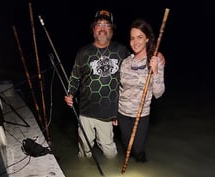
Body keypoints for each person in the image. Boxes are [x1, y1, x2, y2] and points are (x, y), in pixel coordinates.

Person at [64, 9, 130, 159]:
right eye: (99, 24)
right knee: (84, 150)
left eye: (106, 25)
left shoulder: (121, 50)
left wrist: (155, 56)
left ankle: (114, 175)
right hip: (86, 111)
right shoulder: (83, 52)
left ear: (112, 30)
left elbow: (135, 68)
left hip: (108, 113)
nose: (102, 28)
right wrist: (70, 93)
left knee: (110, 152)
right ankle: (83, 176)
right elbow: (75, 77)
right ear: (93, 29)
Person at [117, 18, 165, 163]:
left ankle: (142, 164)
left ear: (147, 39)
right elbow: (119, 90)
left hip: (141, 114)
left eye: (140, 37)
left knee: (137, 149)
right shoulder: (125, 62)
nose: (135, 41)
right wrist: (114, 114)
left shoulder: (155, 61)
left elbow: (158, 93)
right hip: (122, 113)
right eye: (132, 38)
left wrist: (155, 71)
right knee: (126, 147)